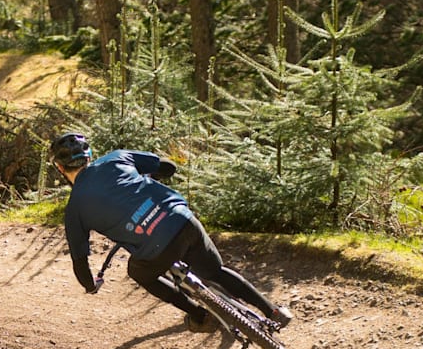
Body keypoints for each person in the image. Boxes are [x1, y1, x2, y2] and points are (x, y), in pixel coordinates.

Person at [50, 132, 292, 333]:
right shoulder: (117, 158)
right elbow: (168, 167)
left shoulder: (74, 209)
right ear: (89, 155)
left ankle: (199, 316)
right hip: (182, 220)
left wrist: (90, 285)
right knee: (215, 271)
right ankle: (272, 310)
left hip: (154, 249)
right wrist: (147, 174)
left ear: (60, 169)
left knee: (139, 272)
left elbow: (80, 260)